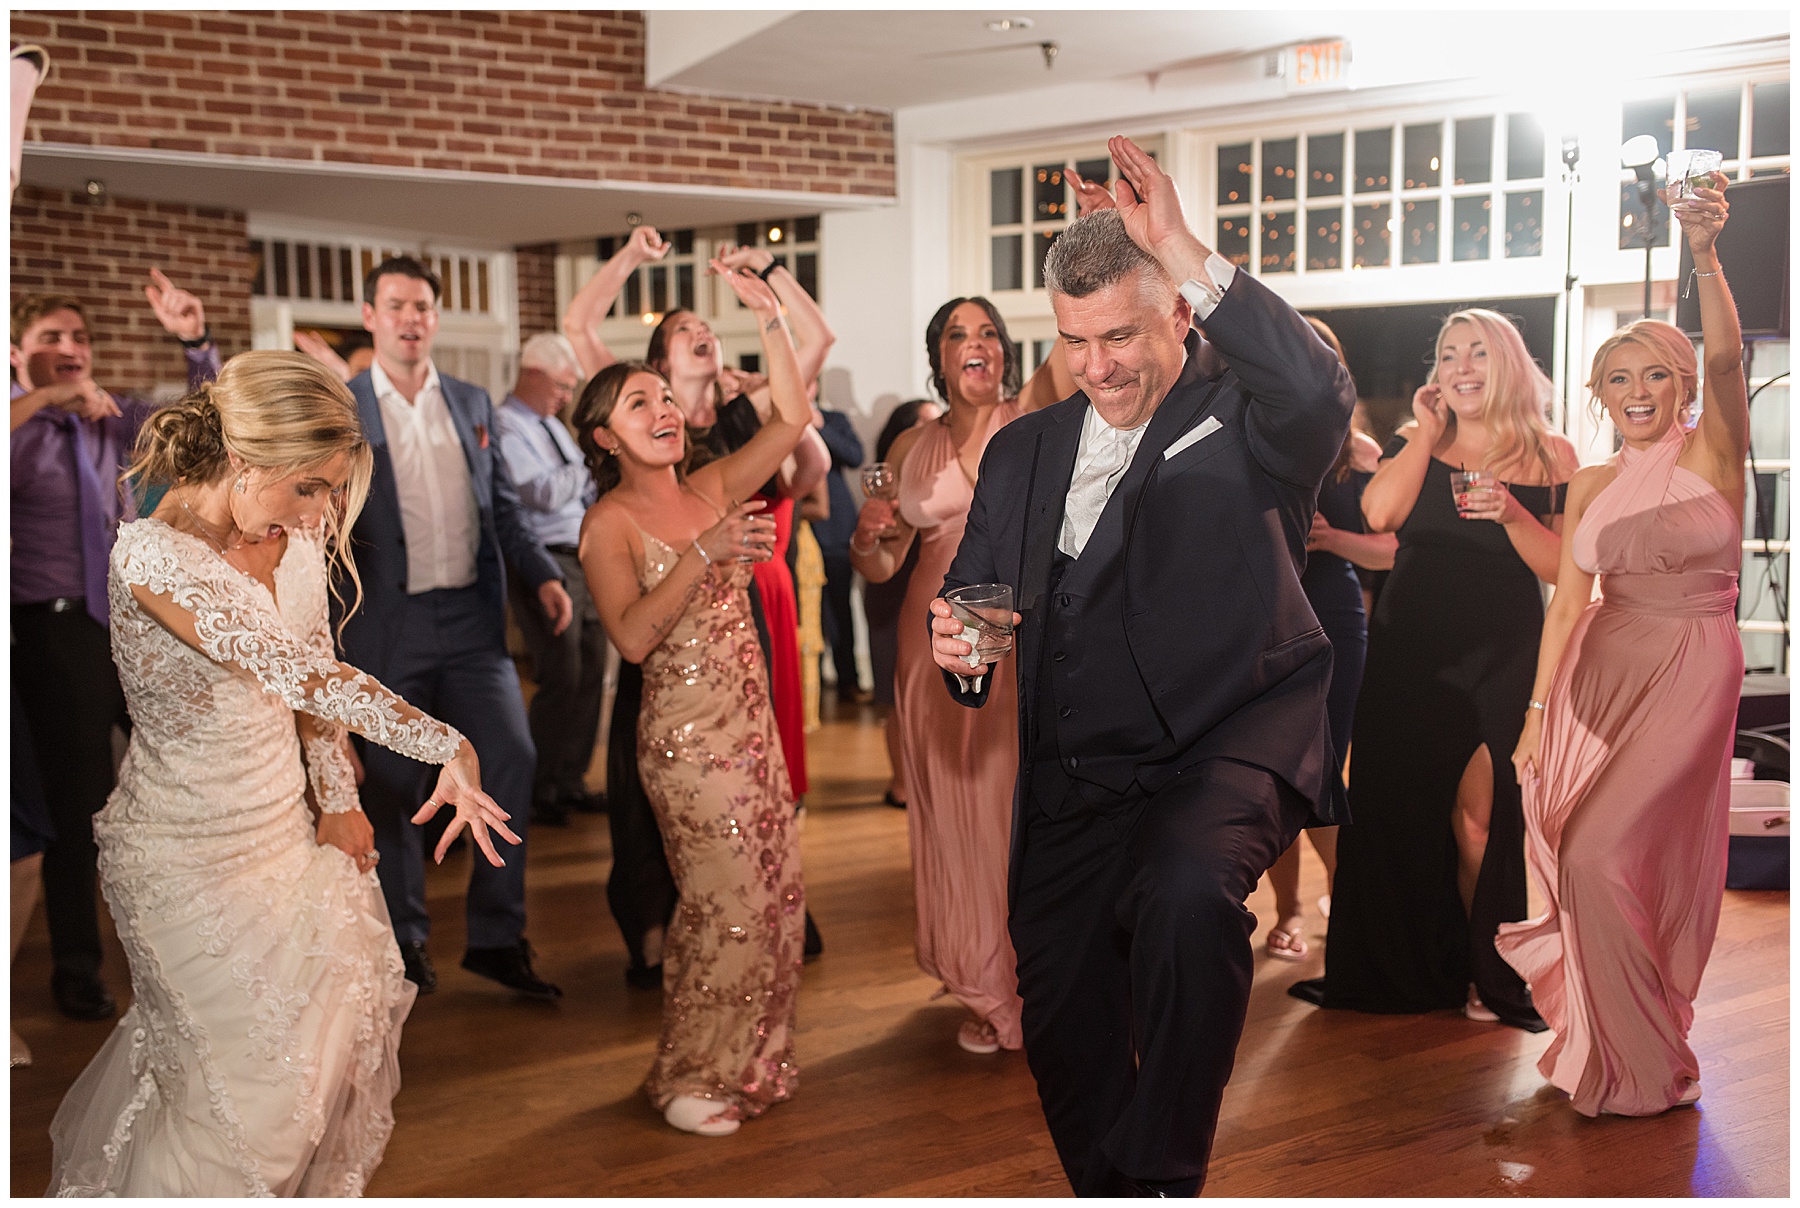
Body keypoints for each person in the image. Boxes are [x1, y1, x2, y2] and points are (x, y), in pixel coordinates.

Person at [929, 136, 1354, 1196]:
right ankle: (1114, 1185)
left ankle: (1164, 1174)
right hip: (1077, 770)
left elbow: (1316, 387)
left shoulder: (1247, 415)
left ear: (1177, 314)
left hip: (1229, 737)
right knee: (1059, 1000)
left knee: (1184, 896)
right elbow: (977, 595)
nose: (1099, 365)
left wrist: (1180, 242)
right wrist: (962, 650)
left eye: (1121, 334)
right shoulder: (1025, 449)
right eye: (1077, 342)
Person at [45, 351, 517, 1196]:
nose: (323, 512)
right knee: (248, 1106)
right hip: (183, 859)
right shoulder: (152, 559)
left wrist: (336, 799)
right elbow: (294, 672)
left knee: (315, 1066)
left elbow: (316, 676)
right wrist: (444, 742)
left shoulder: (289, 541)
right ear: (242, 458)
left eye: (332, 489)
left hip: (285, 840)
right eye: (310, 486)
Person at [1498, 179, 1745, 1117]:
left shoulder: (1713, 454)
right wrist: (1533, 717)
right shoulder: (1592, 481)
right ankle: (1612, 1043)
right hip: (1601, 669)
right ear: (1597, 392)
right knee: (1577, 845)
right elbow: (1566, 605)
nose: (1637, 392)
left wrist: (1705, 251)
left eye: (1655, 375)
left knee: (1602, 851)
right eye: (1618, 377)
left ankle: (1648, 1062)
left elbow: (1727, 357)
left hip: (1691, 662)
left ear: (1680, 387)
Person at [574, 258, 810, 1137]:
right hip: (683, 742)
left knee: (779, 892)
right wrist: (707, 556)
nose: (663, 411)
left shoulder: (711, 485)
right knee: (725, 907)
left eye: (662, 399)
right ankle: (691, 1074)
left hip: (749, 727)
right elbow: (632, 638)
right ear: (605, 438)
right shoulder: (609, 525)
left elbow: (791, 418)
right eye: (639, 404)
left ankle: (752, 1057)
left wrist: (769, 315)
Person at [1296, 305, 1579, 1029]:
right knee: (1397, 807)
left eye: (1477, 352)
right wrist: (1425, 432)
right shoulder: (1416, 439)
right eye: (1449, 354)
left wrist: (1514, 513)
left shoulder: (1554, 455)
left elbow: (1566, 571)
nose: (1461, 368)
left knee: (1484, 822)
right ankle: (1409, 972)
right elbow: (1381, 515)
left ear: (1507, 362)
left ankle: (1487, 971)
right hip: (1411, 646)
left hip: (1505, 646)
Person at [342, 256, 573, 1000]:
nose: (411, 318)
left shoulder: (473, 403)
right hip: (386, 625)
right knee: (392, 780)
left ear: (435, 320)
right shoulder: (344, 408)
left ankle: (498, 936)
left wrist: (541, 574)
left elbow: (502, 508)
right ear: (371, 316)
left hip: (473, 624)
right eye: (396, 306)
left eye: (423, 307)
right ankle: (407, 938)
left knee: (509, 753)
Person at [10, 273, 220, 1022]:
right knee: (79, 802)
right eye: (51, 340)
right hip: (49, 631)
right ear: (15, 353)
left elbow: (207, 418)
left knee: (184, 771)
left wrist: (193, 340)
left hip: (131, 622)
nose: (71, 350)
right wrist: (42, 402)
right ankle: (77, 965)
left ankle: (199, 946)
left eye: (79, 338)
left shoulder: (113, 419)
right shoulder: (21, 422)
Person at [851, 297, 1055, 1055]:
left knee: (1005, 809)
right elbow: (880, 560)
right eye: (957, 335)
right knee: (949, 812)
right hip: (926, 634)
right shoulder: (912, 442)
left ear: (1004, 352)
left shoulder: (1036, 415)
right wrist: (866, 540)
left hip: (1012, 635)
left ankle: (1027, 977)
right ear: (937, 358)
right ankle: (977, 973)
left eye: (989, 334)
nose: (977, 345)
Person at [1262, 319, 1396, 961]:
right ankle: (1287, 910)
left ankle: (1353, 902)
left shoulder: (1362, 453)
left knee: (1319, 771)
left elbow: (1394, 551)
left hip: (1335, 620)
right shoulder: (1251, 440)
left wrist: (1332, 538)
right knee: (1275, 775)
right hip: (1263, 624)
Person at [495, 332, 608, 828]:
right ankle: (540, 787)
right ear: (533, 374)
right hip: (544, 559)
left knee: (592, 666)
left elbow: (576, 491)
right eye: (563, 386)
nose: (567, 397)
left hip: (582, 553)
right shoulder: (506, 425)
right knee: (562, 670)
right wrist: (585, 462)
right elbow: (539, 492)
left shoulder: (551, 427)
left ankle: (571, 779)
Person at [862, 398, 943, 809]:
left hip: (928, 581)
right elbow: (881, 556)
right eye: (923, 424)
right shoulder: (897, 480)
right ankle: (900, 783)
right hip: (895, 589)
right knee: (899, 691)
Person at [813, 400, 866, 701]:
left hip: (835, 529)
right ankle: (814, 685)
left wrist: (820, 426)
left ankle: (849, 681)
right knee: (810, 614)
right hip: (798, 530)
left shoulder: (834, 419)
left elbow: (855, 456)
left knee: (840, 608)